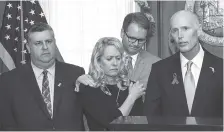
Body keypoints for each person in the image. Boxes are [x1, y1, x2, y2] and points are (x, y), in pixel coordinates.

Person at [0, 23, 85, 130]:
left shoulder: (75, 74)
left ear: (54, 43)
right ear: (28, 48)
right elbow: (7, 124)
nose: (45, 47)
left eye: (49, 42)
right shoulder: (9, 80)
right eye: (38, 43)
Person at [144, 10, 223, 117]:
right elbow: (151, 117)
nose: (180, 35)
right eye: (175, 30)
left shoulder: (220, 68)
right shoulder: (159, 70)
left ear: (199, 30)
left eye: (185, 28)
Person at [76, 12, 160, 92]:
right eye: (132, 38)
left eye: (141, 40)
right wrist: (80, 80)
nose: (136, 43)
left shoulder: (156, 64)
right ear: (122, 33)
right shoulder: (104, 55)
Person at [76, 37, 145, 130]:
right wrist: (132, 97)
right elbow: (112, 123)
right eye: (109, 59)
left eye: (118, 58)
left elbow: (140, 124)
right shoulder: (90, 88)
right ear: (98, 61)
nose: (115, 63)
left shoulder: (132, 86)